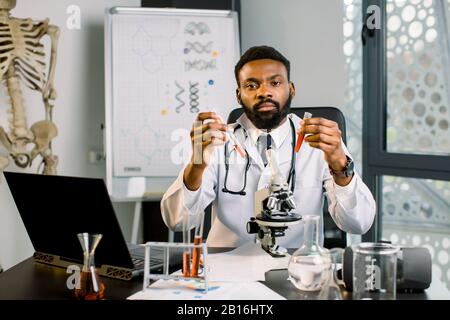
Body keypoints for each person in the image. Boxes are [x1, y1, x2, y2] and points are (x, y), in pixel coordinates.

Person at [161, 45, 376, 248]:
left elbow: (359, 224)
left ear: (291, 89)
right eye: (252, 85)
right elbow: (177, 221)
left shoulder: (319, 142)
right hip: (227, 272)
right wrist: (197, 165)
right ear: (239, 95)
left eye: (275, 83)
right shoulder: (218, 142)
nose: (264, 92)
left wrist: (340, 166)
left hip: (296, 271)